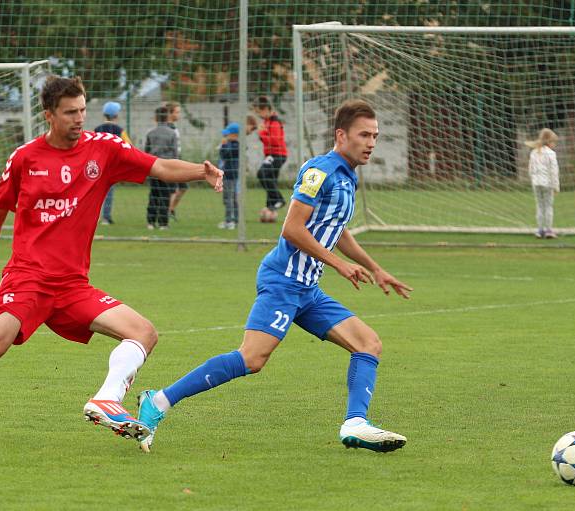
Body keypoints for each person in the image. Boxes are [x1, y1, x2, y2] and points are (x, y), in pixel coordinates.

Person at [0, 75, 223, 453]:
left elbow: (158, 166)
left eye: (82, 110)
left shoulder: (104, 149)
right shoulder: (25, 158)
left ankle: (107, 400)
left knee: (144, 333)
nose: (79, 119)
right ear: (49, 115)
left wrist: (201, 171)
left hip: (73, 285)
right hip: (27, 279)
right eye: (70, 113)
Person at [135, 99, 413, 454]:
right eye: (364, 135)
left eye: (375, 135)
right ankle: (157, 402)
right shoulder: (320, 172)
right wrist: (339, 265)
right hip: (283, 281)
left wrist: (376, 268)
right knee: (252, 359)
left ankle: (355, 423)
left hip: (307, 289)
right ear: (341, 135)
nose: (371, 142)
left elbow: (337, 230)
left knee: (368, 344)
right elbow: (292, 229)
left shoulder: (347, 178)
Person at [248, 95, 287, 220]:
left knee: (262, 174)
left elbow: (275, 141)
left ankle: (279, 199)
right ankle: (271, 207)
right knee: (271, 180)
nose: (258, 115)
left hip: (277, 155)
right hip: (272, 155)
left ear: (265, 109)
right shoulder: (267, 122)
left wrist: (262, 133)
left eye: (259, 112)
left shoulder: (275, 122)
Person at [94, 101, 131, 225]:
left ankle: (94, 217)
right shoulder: (120, 130)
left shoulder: (97, 129)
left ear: (104, 115)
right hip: (111, 167)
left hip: (97, 166)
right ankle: (106, 217)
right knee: (109, 193)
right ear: (116, 116)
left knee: (95, 193)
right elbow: (129, 147)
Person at [145, 105, 179, 230]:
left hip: (153, 166)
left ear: (156, 118)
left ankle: (150, 222)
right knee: (165, 195)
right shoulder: (172, 133)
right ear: (167, 117)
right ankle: (163, 223)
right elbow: (175, 152)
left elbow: (146, 151)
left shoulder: (150, 133)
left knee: (153, 194)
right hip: (167, 167)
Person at [525, 128, 560, 239]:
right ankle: (549, 230)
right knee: (548, 206)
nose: (555, 144)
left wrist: (533, 180)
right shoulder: (551, 154)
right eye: (554, 142)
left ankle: (540, 230)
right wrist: (556, 186)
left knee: (540, 206)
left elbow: (530, 169)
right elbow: (554, 171)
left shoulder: (534, 152)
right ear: (549, 142)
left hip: (536, 183)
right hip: (547, 183)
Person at [166, 101, 187, 220]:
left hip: (178, 159)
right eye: (177, 112)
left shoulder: (174, 127)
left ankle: (171, 210)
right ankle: (167, 212)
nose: (179, 115)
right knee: (172, 190)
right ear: (170, 113)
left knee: (183, 187)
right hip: (172, 161)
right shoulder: (167, 127)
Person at [218, 122, 240, 229]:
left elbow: (225, 155)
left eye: (227, 134)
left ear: (234, 135)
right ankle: (234, 219)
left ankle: (230, 220)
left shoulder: (236, 146)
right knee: (229, 197)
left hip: (231, 175)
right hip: (227, 174)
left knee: (229, 198)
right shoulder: (230, 145)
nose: (225, 137)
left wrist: (223, 145)